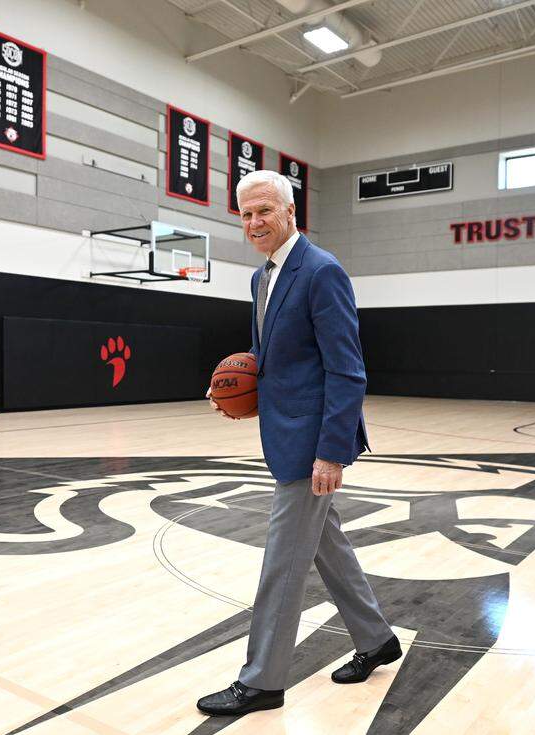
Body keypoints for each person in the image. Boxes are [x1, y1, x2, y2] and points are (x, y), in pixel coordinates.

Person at [197, 170, 400, 717]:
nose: (254, 222)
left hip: (313, 444)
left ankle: (262, 680)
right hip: (283, 432)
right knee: (327, 547)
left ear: (291, 212)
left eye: (264, 210)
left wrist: (332, 452)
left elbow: (347, 370)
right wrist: (239, 393)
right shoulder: (261, 278)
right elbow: (277, 359)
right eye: (245, 214)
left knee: (283, 562)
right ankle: (376, 637)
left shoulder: (321, 271)